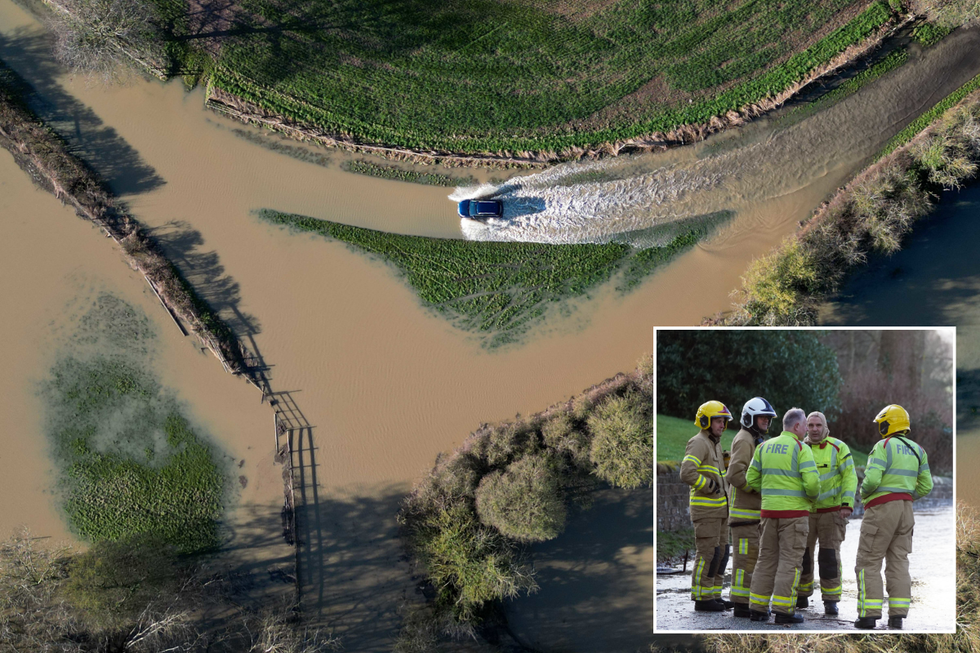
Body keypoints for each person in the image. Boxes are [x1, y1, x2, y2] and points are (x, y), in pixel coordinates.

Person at [854, 404, 933, 630]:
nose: (880, 426)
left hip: (881, 509)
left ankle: (868, 616)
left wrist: (864, 495)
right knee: (899, 562)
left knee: (868, 561)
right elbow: (927, 486)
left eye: (882, 423)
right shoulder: (919, 450)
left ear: (889, 423)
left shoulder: (883, 445)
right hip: (906, 510)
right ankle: (897, 616)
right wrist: (906, 496)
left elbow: (870, 481)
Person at [745, 407, 819, 624]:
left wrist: (768, 493)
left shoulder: (764, 447)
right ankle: (783, 610)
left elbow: (751, 478)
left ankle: (757, 608)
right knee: (790, 561)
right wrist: (810, 497)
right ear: (796, 426)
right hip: (794, 515)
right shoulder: (801, 448)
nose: (806, 429)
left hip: (768, 513)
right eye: (805, 425)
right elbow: (813, 484)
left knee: (765, 559)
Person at [798, 411, 857, 616]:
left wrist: (847, 503)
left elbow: (850, 476)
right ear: (805, 427)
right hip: (805, 512)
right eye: (811, 425)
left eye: (818, 425)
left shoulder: (839, 447)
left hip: (831, 513)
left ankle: (831, 600)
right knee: (802, 555)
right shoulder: (800, 448)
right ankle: (802, 595)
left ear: (825, 427)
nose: (814, 429)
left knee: (829, 556)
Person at [725, 396, 777, 618]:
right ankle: (740, 604)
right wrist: (759, 489)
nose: (766, 421)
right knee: (744, 561)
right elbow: (735, 474)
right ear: (750, 418)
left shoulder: (751, 439)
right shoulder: (745, 439)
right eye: (762, 417)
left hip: (750, 515)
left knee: (750, 559)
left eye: (767, 417)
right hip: (743, 515)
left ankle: (744, 602)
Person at [680, 400, 732, 612]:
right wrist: (709, 486)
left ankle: (713, 595)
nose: (722, 425)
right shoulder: (699, 442)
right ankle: (702, 598)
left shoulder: (715, 443)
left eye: (723, 421)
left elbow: (715, 472)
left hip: (720, 511)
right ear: (705, 421)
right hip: (706, 511)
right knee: (708, 554)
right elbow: (686, 473)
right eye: (718, 420)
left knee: (721, 553)